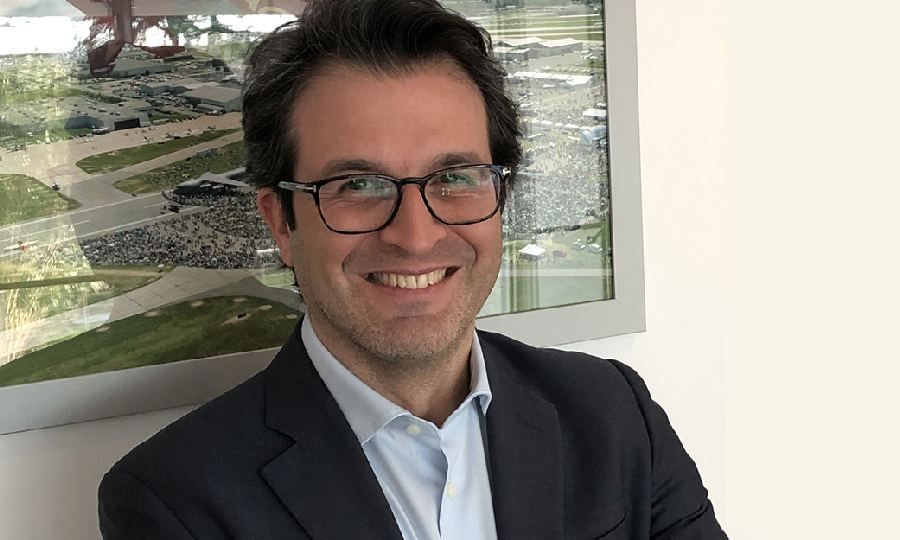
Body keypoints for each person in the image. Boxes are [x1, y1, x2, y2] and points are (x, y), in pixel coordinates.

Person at [98, 0, 725, 538]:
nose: (416, 236)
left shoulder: (613, 412)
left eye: (456, 177)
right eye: (358, 184)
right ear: (281, 223)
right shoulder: (175, 500)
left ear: (500, 195)